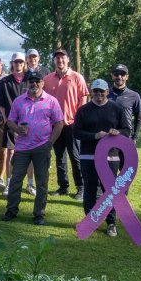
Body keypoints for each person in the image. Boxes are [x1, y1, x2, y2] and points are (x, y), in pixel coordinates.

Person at [2, 70, 64, 225]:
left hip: (42, 146)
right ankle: (11, 211)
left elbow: (59, 124)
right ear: (26, 83)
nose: (34, 84)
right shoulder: (18, 101)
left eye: (37, 81)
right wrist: (17, 129)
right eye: (31, 81)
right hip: (22, 147)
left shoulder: (51, 101)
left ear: (43, 83)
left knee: (41, 182)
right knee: (16, 180)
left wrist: (50, 143)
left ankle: (39, 214)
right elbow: (10, 121)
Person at [73, 79, 130, 238]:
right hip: (88, 156)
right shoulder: (84, 110)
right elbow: (76, 132)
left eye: (101, 91)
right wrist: (95, 136)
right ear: (92, 92)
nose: (98, 94)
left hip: (111, 156)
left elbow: (126, 130)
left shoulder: (116, 108)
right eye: (95, 91)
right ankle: (91, 220)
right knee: (90, 189)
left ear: (107, 92)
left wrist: (117, 132)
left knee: (110, 191)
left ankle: (111, 223)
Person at [43, 48, 88, 200]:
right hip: (55, 125)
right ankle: (63, 187)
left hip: (72, 124)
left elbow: (83, 98)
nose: (60, 60)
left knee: (75, 157)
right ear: (54, 61)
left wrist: (79, 119)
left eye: (63, 58)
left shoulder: (77, 77)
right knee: (59, 157)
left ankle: (81, 187)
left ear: (68, 59)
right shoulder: (48, 79)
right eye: (57, 58)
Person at [0, 54, 33, 195]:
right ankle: (9, 183)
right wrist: (6, 120)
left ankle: (30, 184)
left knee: (30, 152)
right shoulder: (5, 81)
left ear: (24, 63)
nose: (18, 64)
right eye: (15, 61)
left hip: (28, 123)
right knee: (10, 152)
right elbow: (1, 105)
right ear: (11, 63)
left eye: (20, 61)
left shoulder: (30, 80)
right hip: (11, 123)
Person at [108, 64, 141, 143]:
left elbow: (139, 119)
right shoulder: (105, 94)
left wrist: (135, 137)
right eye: (116, 74)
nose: (119, 76)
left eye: (122, 74)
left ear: (127, 77)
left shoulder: (135, 96)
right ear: (112, 76)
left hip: (126, 137)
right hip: (108, 136)